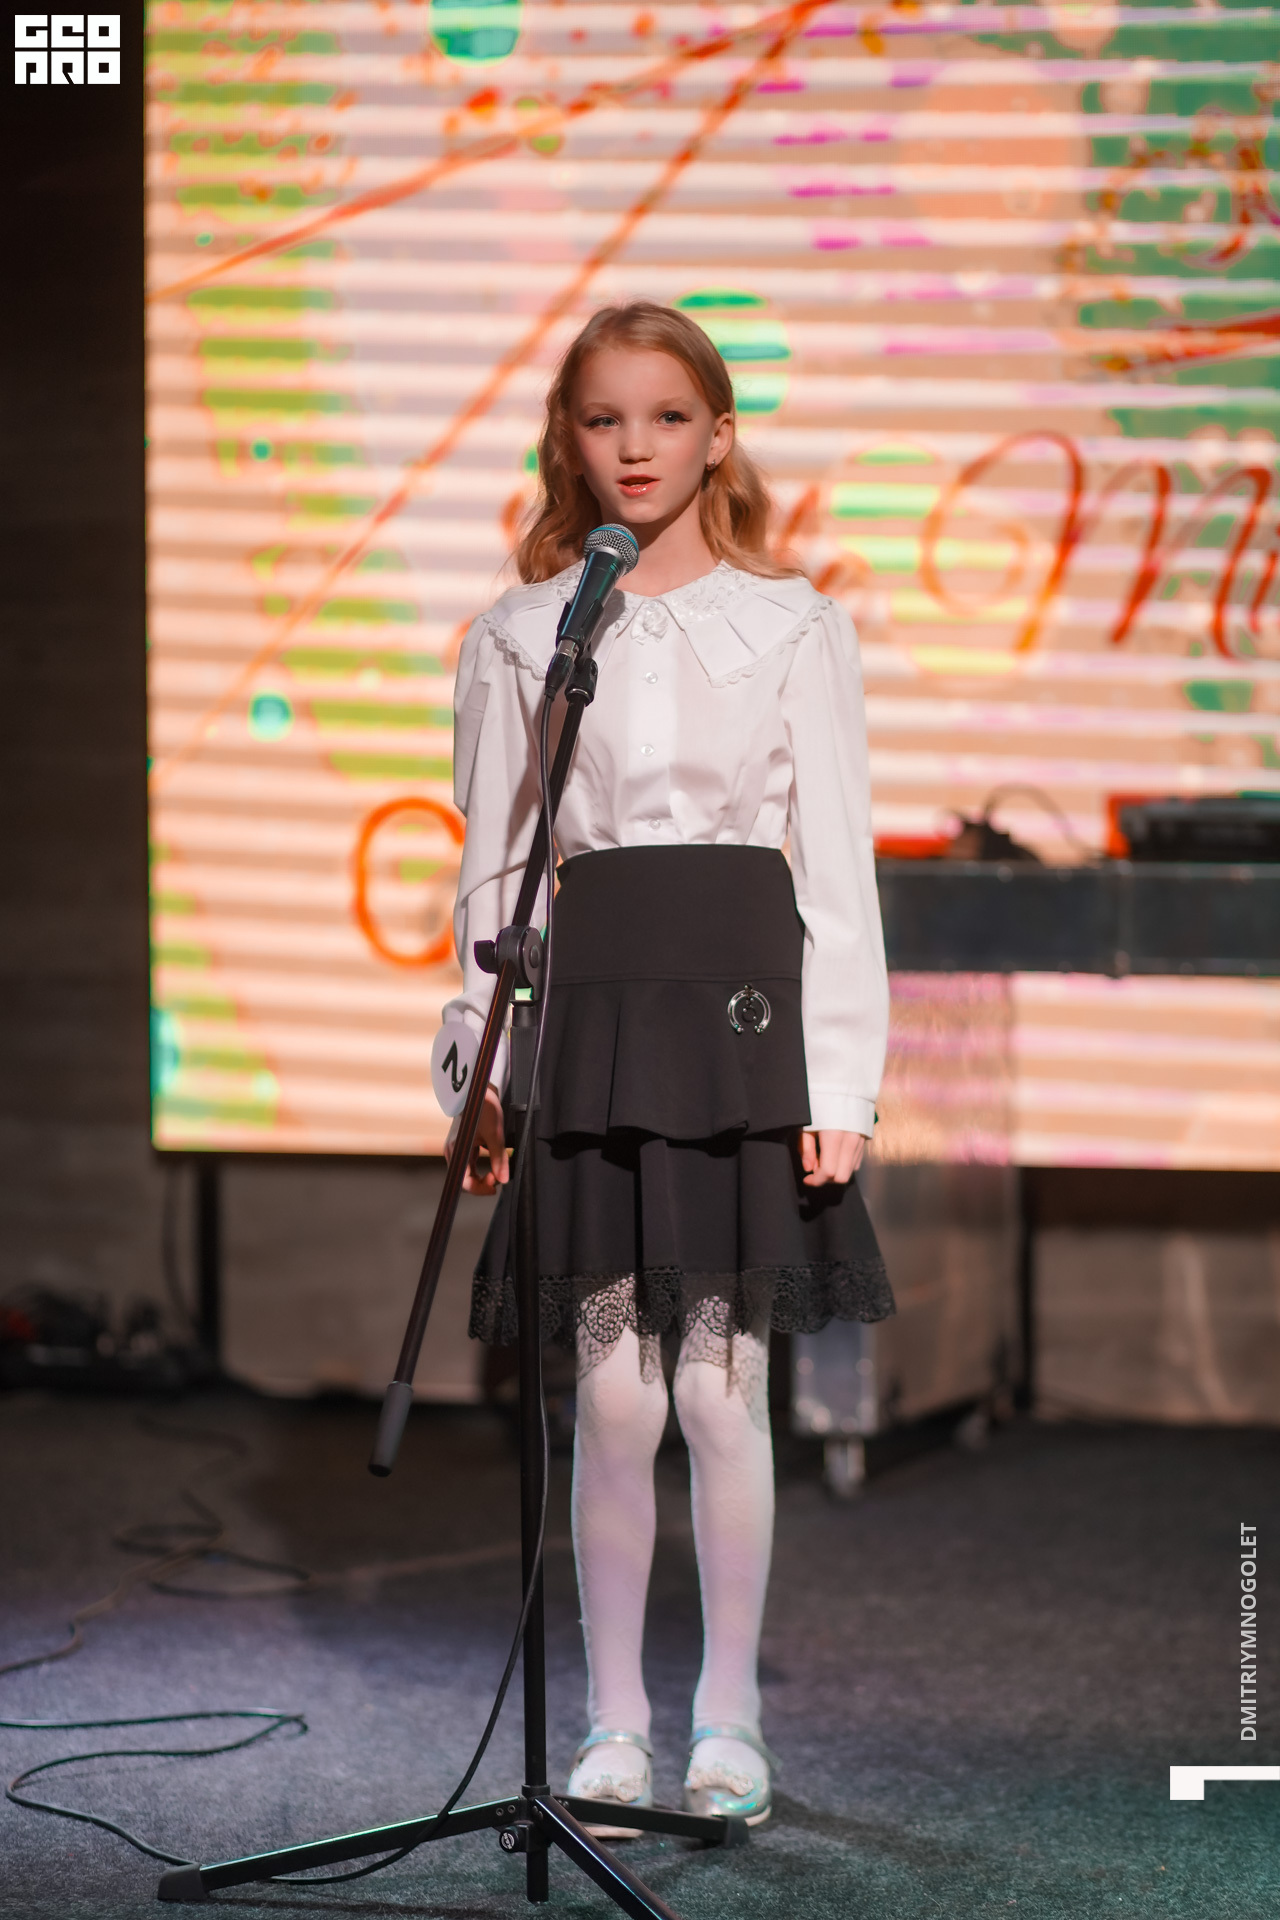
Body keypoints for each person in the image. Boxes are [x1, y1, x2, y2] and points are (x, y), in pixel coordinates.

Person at [441, 301, 893, 1832]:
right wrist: (476, 1063)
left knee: (717, 1391)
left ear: (718, 433)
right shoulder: (523, 635)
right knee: (614, 1403)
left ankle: (730, 1721)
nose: (635, 447)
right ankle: (614, 1725)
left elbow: (838, 871)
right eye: (604, 419)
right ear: (568, 440)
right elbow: (495, 873)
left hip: (742, 1036)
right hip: (595, 1027)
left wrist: (842, 1085)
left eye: (667, 416)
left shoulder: (793, 625)